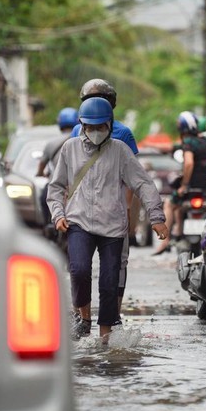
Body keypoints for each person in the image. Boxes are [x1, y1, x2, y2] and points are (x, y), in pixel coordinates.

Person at [47, 97, 168, 340]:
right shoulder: (69, 149)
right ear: (82, 125)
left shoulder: (120, 151)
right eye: (90, 127)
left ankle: (105, 336)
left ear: (109, 126)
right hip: (79, 221)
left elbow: (143, 184)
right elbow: (56, 186)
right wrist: (58, 214)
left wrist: (156, 217)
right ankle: (84, 317)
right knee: (79, 271)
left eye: (100, 127)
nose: (95, 132)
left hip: (113, 225)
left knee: (109, 281)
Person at [70, 79, 137, 313]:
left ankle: (113, 315)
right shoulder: (77, 131)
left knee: (117, 265)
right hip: (83, 211)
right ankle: (84, 316)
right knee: (80, 267)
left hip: (114, 211)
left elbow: (132, 178)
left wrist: (128, 212)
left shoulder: (124, 134)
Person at [154, 111, 206, 255]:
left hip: (192, 188)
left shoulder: (188, 143)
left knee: (170, 203)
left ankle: (165, 240)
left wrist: (184, 185)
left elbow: (188, 164)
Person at [37, 107, 78, 231]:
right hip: (76, 184)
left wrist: (40, 173)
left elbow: (41, 164)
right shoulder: (79, 142)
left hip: (56, 184)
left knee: (44, 199)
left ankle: (47, 225)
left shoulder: (51, 144)